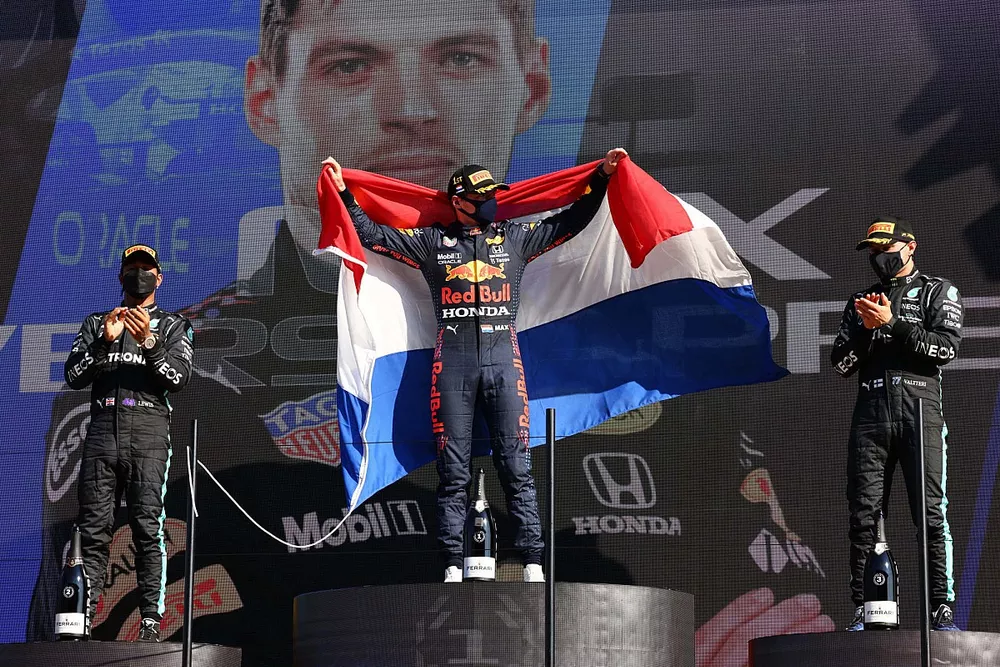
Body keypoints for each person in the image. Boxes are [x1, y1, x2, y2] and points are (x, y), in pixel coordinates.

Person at [325, 147, 627, 582]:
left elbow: (570, 221)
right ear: (459, 202)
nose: (490, 202)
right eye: (481, 196)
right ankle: (452, 564)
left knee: (516, 466)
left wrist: (601, 177)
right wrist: (344, 194)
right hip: (452, 369)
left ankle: (533, 563)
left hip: (505, 366)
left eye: (492, 195)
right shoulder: (433, 242)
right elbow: (373, 236)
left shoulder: (515, 238)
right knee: (453, 471)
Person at [831, 215, 963, 632]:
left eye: (885, 250)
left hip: (920, 414)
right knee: (864, 516)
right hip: (871, 418)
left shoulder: (937, 291)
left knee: (930, 514)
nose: (878, 258)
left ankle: (941, 608)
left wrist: (893, 324)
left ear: (909, 247)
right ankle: (865, 608)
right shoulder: (861, 300)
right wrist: (869, 331)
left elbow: (946, 349)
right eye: (873, 251)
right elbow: (841, 365)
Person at [64, 244, 195, 642]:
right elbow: (73, 376)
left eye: (146, 268)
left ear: (159, 277)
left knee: (147, 527)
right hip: (103, 429)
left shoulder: (174, 325)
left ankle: (151, 622)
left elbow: (179, 378)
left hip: (149, 432)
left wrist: (149, 343)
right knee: (93, 529)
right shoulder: (97, 323)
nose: (140, 274)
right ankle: (82, 619)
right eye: (132, 268)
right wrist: (104, 342)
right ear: (121, 276)